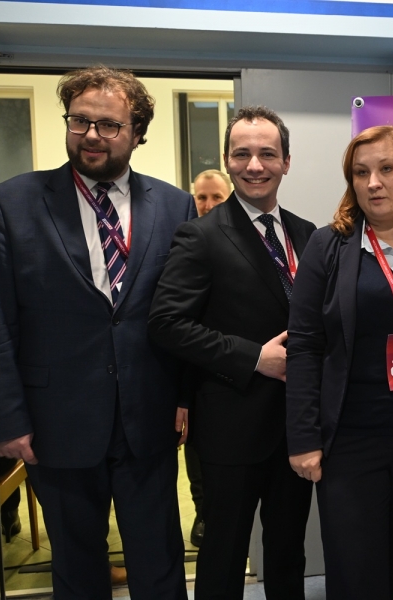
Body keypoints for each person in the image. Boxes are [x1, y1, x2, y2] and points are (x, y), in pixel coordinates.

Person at [0, 65, 195, 600]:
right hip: (56, 423)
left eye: (109, 125)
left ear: (137, 133)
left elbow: (184, 314)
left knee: (159, 561)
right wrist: (6, 421)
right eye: (80, 121)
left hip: (148, 418)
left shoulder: (174, 206)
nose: (92, 134)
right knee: (75, 567)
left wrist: (186, 395)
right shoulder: (10, 203)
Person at [148, 105, 316, 600]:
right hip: (230, 431)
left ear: (287, 161)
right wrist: (253, 357)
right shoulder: (200, 235)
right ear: (227, 160)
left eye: (267, 154)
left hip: (296, 428)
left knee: (288, 554)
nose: (254, 165)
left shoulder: (308, 234)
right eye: (242, 154)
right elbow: (166, 323)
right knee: (223, 558)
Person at [286, 125, 393, 599]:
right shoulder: (327, 246)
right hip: (351, 440)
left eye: (386, 168)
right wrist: (304, 438)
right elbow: (305, 345)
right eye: (360, 172)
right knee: (356, 574)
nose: (373, 182)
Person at [182, 168, 231, 548]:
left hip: (235, 368)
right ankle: (203, 511)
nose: (208, 204)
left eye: (216, 197)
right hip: (193, 369)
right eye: (202, 197)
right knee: (195, 449)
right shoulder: (187, 241)